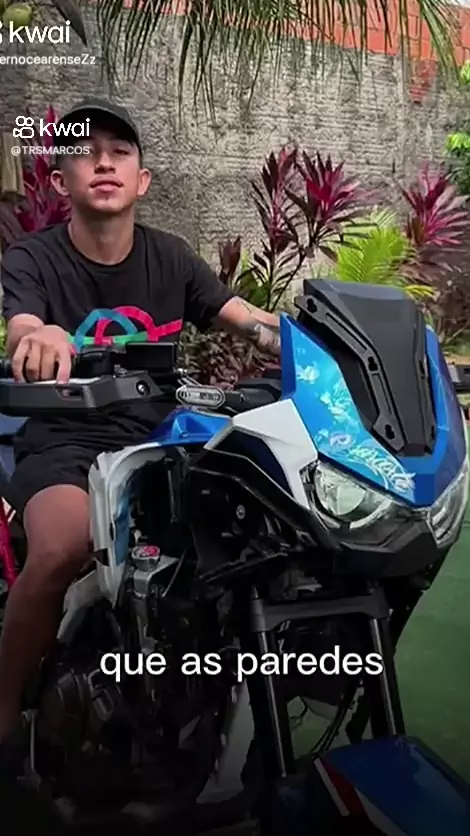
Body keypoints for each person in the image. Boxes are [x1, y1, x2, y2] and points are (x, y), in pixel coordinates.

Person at [0, 97, 281, 761]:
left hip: (162, 442)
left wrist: (323, 342)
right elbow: (24, 325)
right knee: (63, 546)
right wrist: (40, 336)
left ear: (142, 179)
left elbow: (249, 320)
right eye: (85, 153)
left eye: (119, 152)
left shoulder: (172, 258)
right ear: (60, 179)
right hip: (65, 438)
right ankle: (5, 706)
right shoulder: (33, 258)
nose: (103, 162)